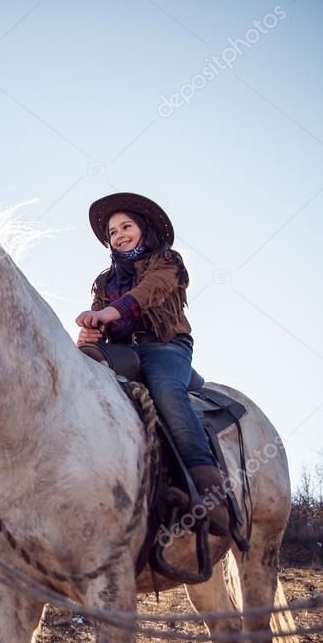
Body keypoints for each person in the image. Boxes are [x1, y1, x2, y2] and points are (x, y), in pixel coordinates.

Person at [75, 192, 231, 535]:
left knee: (166, 391)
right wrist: (90, 335)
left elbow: (149, 293)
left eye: (126, 226)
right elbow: (100, 324)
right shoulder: (104, 282)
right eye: (113, 232)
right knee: (82, 382)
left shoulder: (167, 262)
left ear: (143, 229)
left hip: (164, 348)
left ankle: (210, 491)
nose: (119, 235)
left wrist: (107, 312)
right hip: (121, 353)